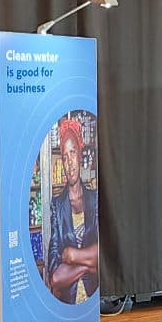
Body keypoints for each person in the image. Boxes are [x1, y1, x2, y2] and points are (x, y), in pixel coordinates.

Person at [46, 118, 98, 304]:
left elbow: (104, 254)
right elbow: (55, 277)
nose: (69, 163)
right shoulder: (57, 205)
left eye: (73, 153)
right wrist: (90, 265)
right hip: (68, 304)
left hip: (95, 300)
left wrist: (72, 256)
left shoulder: (95, 200)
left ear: (80, 154)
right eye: (65, 157)